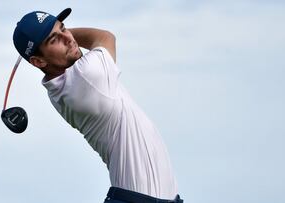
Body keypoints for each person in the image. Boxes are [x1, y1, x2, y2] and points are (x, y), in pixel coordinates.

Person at [13, 8, 183, 203]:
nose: (68, 38)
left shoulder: (60, 85)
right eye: (54, 40)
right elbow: (105, 36)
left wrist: (54, 35)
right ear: (38, 61)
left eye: (64, 28)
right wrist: (66, 32)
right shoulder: (87, 76)